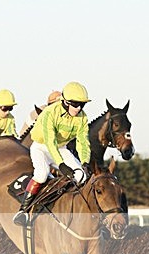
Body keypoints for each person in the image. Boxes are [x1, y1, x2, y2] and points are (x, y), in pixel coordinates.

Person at [13, 82, 91, 225]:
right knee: (42, 174)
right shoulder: (50, 113)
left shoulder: (82, 117)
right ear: (65, 102)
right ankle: (23, 211)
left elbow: (83, 141)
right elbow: (50, 141)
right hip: (41, 147)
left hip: (61, 148)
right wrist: (61, 165)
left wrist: (85, 161)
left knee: (81, 176)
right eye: (75, 104)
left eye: (82, 105)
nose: (78, 108)